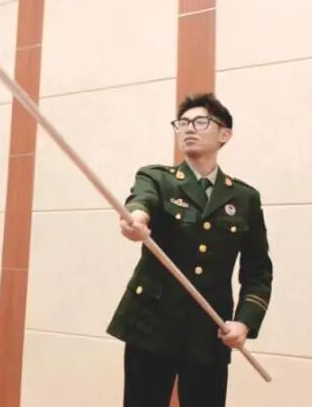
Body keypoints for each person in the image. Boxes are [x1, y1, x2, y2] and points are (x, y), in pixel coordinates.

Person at [107, 93, 273, 407]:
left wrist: (244, 322)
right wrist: (136, 220)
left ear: (225, 135)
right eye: (182, 123)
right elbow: (141, 202)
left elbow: (258, 271)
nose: (188, 129)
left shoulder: (244, 198)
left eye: (200, 122)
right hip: (152, 325)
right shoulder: (157, 178)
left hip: (209, 332)